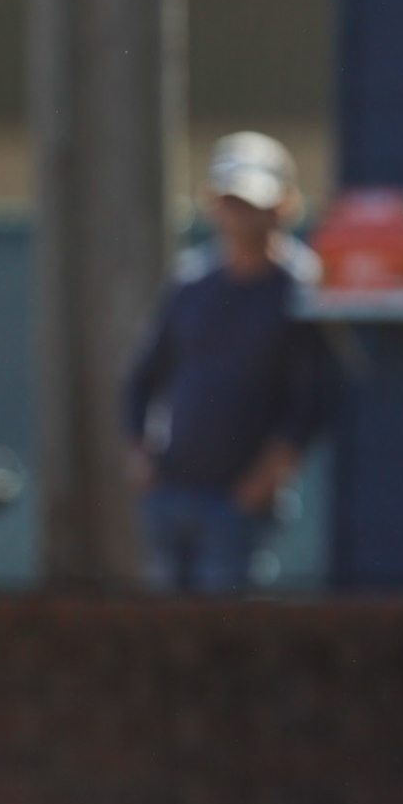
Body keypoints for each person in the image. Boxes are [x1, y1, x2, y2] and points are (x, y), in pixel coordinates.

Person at [125, 131, 329, 593]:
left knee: (227, 636)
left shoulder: (303, 290)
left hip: (238, 507)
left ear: (283, 205)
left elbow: (310, 402)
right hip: (170, 496)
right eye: (229, 201)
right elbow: (141, 377)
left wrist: (261, 484)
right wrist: (142, 461)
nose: (238, 214)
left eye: (251, 202)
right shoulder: (190, 284)